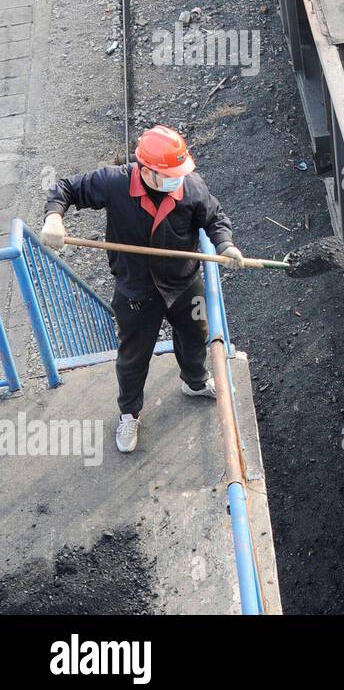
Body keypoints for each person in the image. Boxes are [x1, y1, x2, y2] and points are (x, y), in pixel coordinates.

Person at [41, 125, 245, 454]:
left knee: (196, 334)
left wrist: (225, 245)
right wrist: (53, 217)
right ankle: (129, 414)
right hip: (136, 290)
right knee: (134, 357)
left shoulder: (190, 185)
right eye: (170, 174)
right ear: (146, 171)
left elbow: (214, 217)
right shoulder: (114, 183)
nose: (178, 180)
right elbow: (65, 187)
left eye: (180, 173)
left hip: (183, 283)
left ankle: (194, 382)